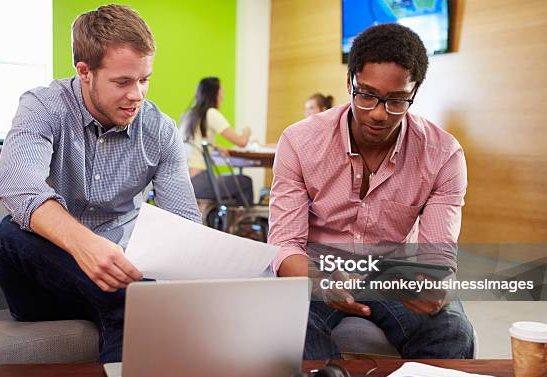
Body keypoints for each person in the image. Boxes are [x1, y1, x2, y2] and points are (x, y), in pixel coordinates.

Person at [0, 4, 201, 364]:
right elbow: (18, 185)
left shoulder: (161, 131)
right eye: (122, 82)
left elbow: (183, 222)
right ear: (84, 72)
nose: (138, 94)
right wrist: (85, 246)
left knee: (130, 302)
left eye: (144, 79)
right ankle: (128, 304)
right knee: (9, 233)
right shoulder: (43, 106)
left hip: (121, 276)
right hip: (44, 275)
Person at [268, 23, 474, 359]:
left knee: (453, 331)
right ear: (350, 82)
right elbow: (284, 244)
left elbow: (438, 258)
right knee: (284, 327)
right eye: (366, 95)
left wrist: (433, 284)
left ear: (415, 92)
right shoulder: (299, 142)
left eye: (396, 101)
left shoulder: (443, 154)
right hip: (318, 267)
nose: (378, 114)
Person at [180, 77, 254, 206]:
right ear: (214, 94)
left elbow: (194, 143)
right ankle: (241, 223)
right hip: (199, 181)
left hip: (182, 181)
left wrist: (214, 146)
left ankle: (227, 220)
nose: (223, 96)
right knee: (245, 182)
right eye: (221, 92)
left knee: (234, 184)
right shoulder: (211, 113)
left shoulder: (189, 114)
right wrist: (247, 130)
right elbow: (242, 142)